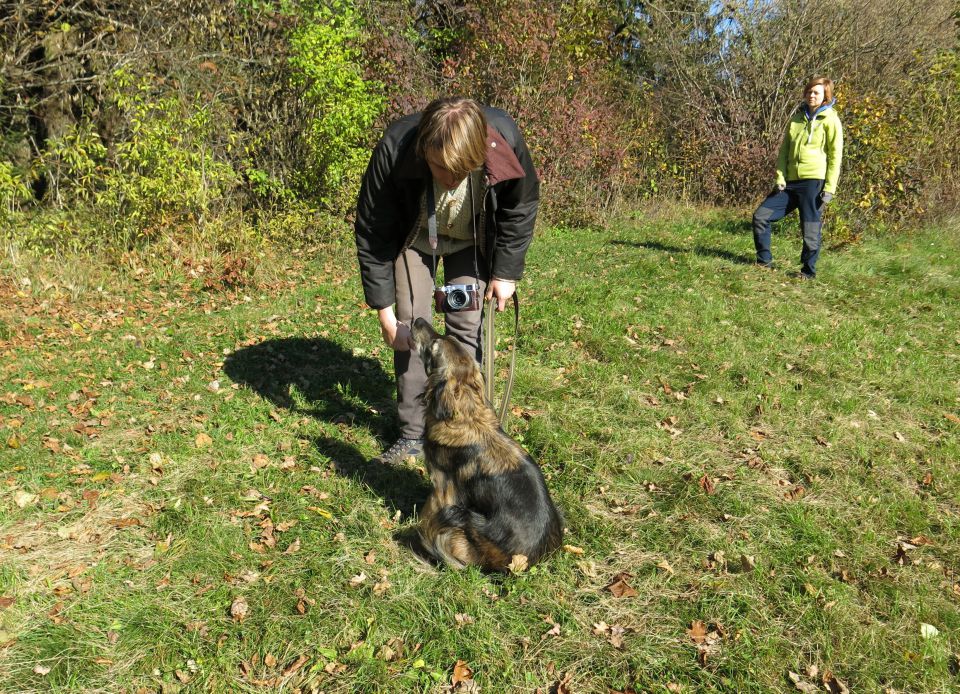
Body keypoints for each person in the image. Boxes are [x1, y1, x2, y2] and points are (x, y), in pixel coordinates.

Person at [354, 97, 539, 464]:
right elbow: (373, 229)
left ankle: (466, 430)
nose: (452, 181)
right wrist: (386, 316)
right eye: (443, 170)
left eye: (463, 172)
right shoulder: (396, 147)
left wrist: (505, 272)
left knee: (466, 329)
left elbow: (521, 205)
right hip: (415, 237)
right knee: (410, 327)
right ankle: (411, 435)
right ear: (425, 151)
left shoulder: (503, 138)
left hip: (471, 239)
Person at [753, 76, 843, 279]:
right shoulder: (796, 119)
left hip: (814, 182)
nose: (812, 95)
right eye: (809, 91)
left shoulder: (830, 120)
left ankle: (808, 272)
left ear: (825, 96)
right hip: (790, 183)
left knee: (810, 228)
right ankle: (763, 261)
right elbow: (784, 152)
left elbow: (836, 156)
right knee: (761, 216)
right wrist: (780, 177)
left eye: (816, 92)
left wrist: (829, 188)